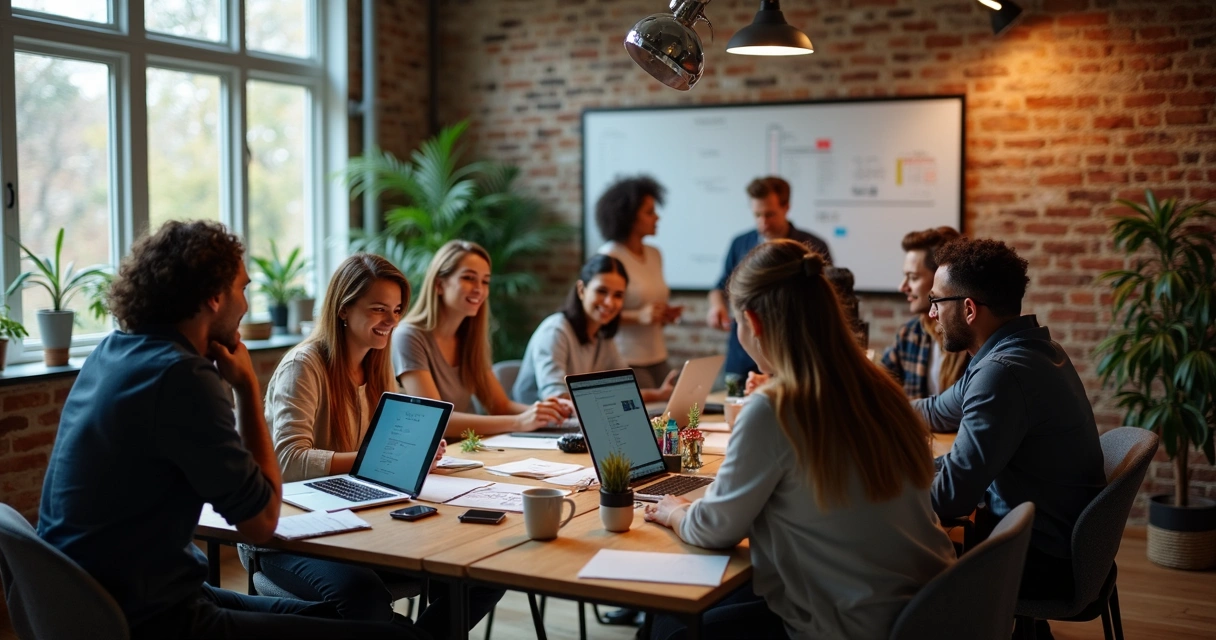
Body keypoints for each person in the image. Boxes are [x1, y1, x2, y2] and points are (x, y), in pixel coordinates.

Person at [36, 221, 422, 639]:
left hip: (99, 598)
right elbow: (260, 524)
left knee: (372, 619)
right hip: (151, 618)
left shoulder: (113, 351)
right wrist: (245, 388)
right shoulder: (182, 377)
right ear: (213, 298)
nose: (246, 303)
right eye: (243, 289)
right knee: (401, 635)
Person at [645, 239, 955, 640]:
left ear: (753, 322)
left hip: (852, 625)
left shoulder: (774, 408)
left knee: (670, 626)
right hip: (929, 612)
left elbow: (714, 528)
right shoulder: (880, 388)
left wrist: (674, 512)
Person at [256, 253, 496, 635]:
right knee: (363, 597)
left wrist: (417, 451)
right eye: (379, 309)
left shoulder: (375, 365)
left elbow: (388, 446)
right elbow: (288, 461)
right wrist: (378, 460)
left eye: (397, 309)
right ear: (343, 310)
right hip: (290, 532)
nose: (392, 321)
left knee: (486, 566)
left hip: (359, 518)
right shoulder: (304, 365)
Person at [915, 237, 1105, 638]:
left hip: (1041, 560)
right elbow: (937, 411)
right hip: (1062, 545)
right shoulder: (1023, 349)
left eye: (937, 301)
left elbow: (950, 497)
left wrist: (877, 482)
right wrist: (864, 407)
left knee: (896, 567)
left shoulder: (1002, 373)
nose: (930, 312)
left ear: (968, 309)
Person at [394, 240, 571, 438]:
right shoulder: (408, 337)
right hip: (437, 457)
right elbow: (435, 420)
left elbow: (500, 405)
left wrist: (547, 412)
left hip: (469, 450)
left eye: (485, 281)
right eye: (469, 278)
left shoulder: (469, 339)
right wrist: (520, 421)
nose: (479, 289)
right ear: (439, 284)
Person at [706, 176, 833, 380]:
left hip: (793, 358)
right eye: (757, 215)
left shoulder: (812, 246)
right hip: (743, 356)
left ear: (786, 207)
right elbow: (720, 287)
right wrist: (716, 306)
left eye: (770, 214)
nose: (762, 222)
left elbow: (823, 302)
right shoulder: (740, 243)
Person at [515, 254, 676, 405]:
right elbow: (555, 398)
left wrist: (659, 395)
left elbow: (625, 389)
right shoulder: (555, 332)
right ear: (581, 290)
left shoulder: (602, 336)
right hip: (535, 429)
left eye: (618, 295)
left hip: (570, 425)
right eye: (601, 291)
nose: (609, 303)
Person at [594, 175, 682, 389]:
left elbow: (650, 304)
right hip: (625, 357)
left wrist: (662, 314)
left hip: (657, 354)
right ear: (629, 217)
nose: (657, 218)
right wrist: (639, 316)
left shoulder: (654, 254)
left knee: (671, 416)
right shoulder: (610, 255)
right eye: (649, 212)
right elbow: (597, 311)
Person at [881, 227, 970, 399]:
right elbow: (877, 387)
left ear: (941, 278)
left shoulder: (975, 337)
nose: (902, 287)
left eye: (913, 277)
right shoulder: (909, 334)